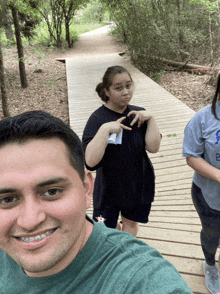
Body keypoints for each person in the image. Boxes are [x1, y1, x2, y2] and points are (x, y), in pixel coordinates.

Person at [0, 110, 193, 294]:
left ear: (86, 188)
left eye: (52, 192)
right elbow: (91, 160)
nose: (30, 220)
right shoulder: (97, 119)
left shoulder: (141, 277)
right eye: (7, 199)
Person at [82, 65, 161, 237]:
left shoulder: (139, 114)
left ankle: (126, 252)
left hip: (137, 182)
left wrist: (152, 119)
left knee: (131, 222)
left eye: (128, 85)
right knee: (104, 228)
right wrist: (104, 130)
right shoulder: (97, 119)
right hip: (108, 188)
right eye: (118, 88)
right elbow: (90, 162)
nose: (125, 91)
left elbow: (154, 148)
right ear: (107, 91)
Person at [183, 74, 220, 294]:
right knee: (212, 232)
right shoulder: (203, 118)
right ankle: (209, 265)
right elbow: (191, 156)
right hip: (209, 194)